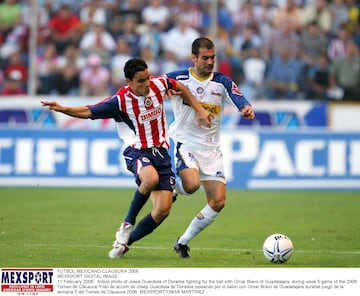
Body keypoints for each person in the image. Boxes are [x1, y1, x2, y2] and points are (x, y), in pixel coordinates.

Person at [41, 58, 213, 259]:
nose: (147, 83)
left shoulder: (158, 84)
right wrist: (63, 109)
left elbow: (178, 85)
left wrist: (199, 109)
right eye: (141, 81)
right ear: (128, 81)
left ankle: (123, 244)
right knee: (150, 179)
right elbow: (88, 111)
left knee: (162, 211)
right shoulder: (120, 101)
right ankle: (127, 223)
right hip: (137, 150)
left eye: (147, 78)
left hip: (161, 153)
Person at [166, 37, 255, 258]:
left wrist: (245, 108)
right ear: (193, 58)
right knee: (193, 184)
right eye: (205, 58)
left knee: (218, 202)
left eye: (212, 57)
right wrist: (163, 92)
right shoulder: (176, 78)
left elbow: (239, 98)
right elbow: (150, 88)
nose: (209, 61)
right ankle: (175, 188)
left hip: (212, 149)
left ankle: (183, 242)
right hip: (186, 143)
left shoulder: (222, 81)